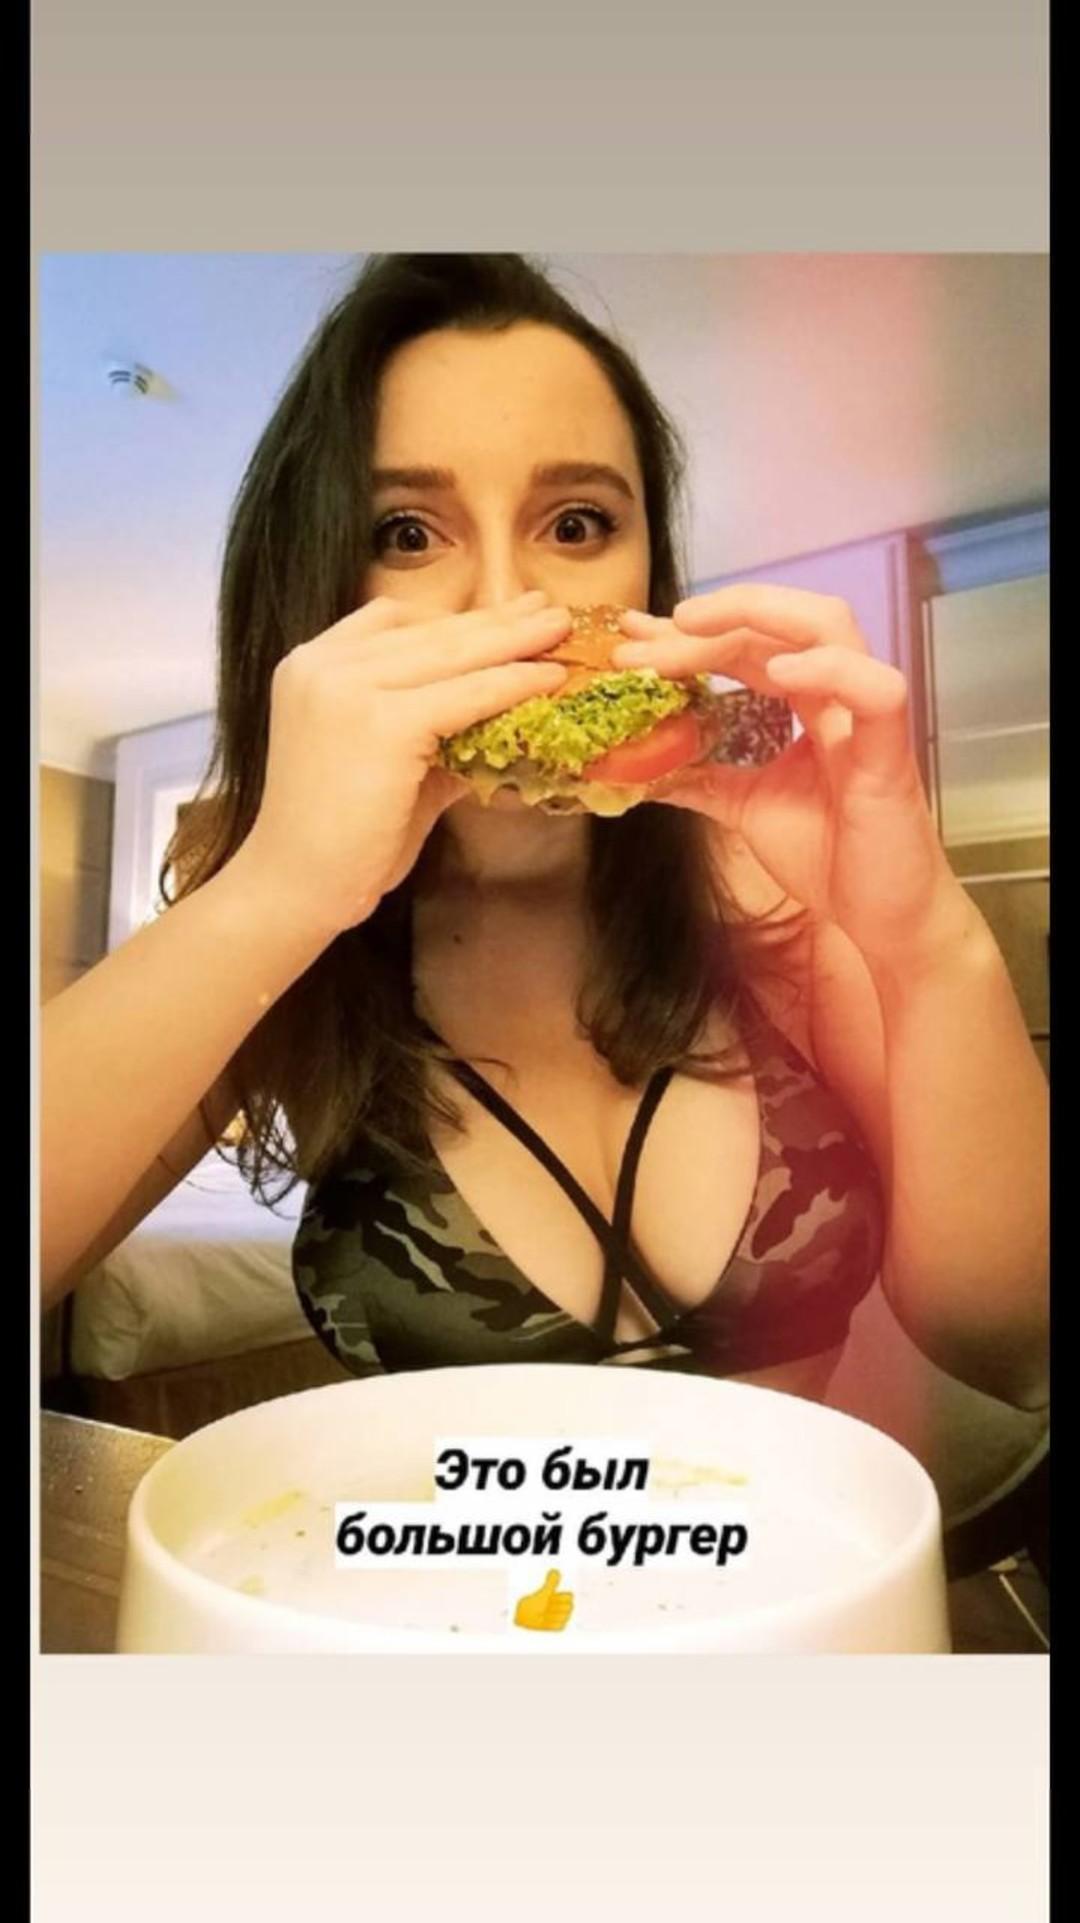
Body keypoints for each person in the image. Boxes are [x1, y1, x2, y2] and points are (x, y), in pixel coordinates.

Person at [40, 253, 1049, 1415]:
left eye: (577, 523)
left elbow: (1013, 1346)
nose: (508, 606)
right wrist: (277, 891)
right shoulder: (286, 936)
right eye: (406, 533)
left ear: (648, 568)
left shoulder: (775, 887)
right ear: (317, 581)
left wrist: (925, 942)